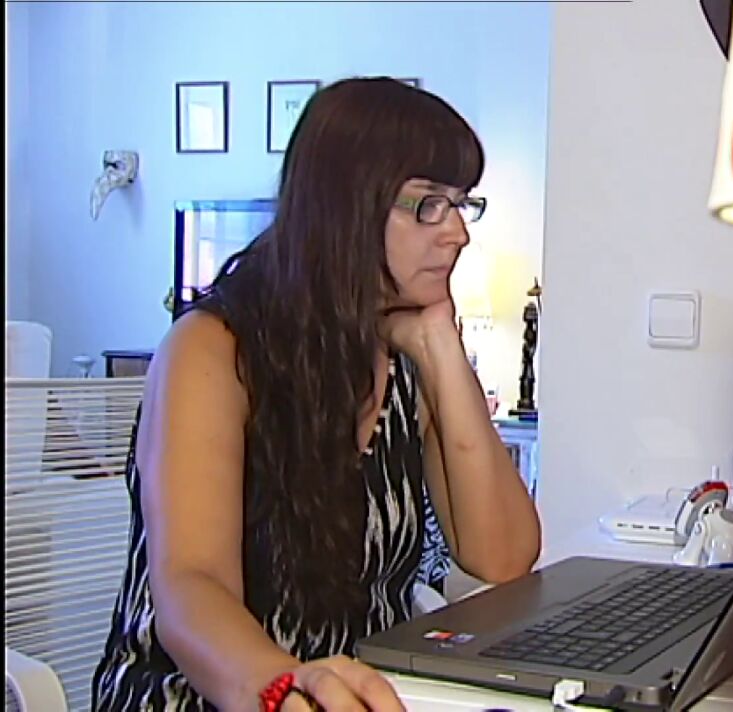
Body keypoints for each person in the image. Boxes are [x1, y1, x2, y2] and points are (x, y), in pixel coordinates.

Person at [92, 77, 542, 711]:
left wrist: (442, 343)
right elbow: (191, 586)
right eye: (427, 205)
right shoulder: (214, 349)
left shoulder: (405, 353)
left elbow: (503, 557)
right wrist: (289, 689)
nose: (457, 235)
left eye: (461, 205)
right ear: (345, 206)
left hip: (356, 695)